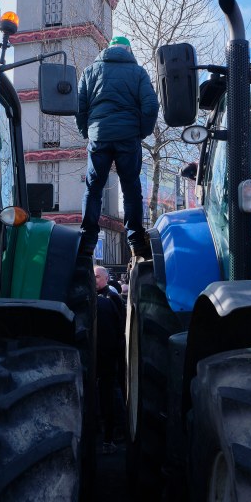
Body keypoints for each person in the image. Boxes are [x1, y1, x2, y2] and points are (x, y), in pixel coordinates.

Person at [76, 36, 159, 259]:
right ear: (128, 51)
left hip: (99, 136)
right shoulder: (138, 72)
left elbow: (79, 107)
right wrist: (141, 131)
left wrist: (87, 132)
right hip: (128, 137)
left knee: (93, 188)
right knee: (131, 189)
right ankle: (135, 239)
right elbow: (151, 105)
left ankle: (87, 240)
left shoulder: (89, 72)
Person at [95, 265, 124, 454]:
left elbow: (120, 326)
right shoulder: (90, 299)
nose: (94, 280)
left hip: (109, 356)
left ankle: (113, 435)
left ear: (106, 278)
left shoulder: (112, 299)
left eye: (97, 277)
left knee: (111, 394)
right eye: (92, 277)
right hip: (98, 355)